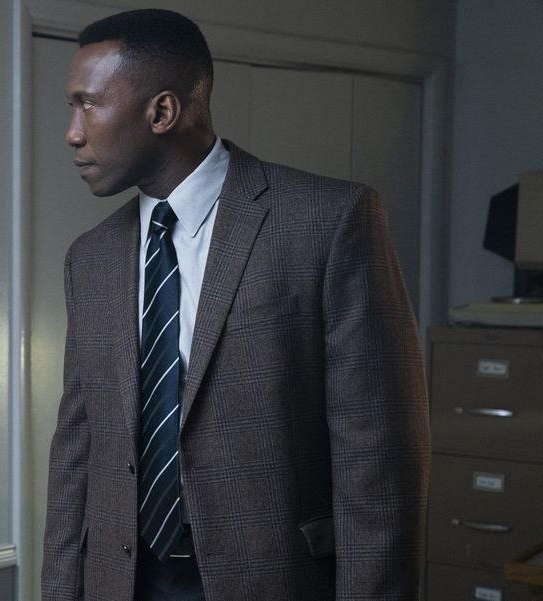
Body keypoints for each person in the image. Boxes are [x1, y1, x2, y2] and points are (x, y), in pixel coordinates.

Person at [42, 9, 429, 601]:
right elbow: (77, 450)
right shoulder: (89, 258)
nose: (73, 132)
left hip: (274, 579)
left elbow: (377, 452)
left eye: (88, 105)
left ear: (162, 112)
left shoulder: (327, 221)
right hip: (123, 582)